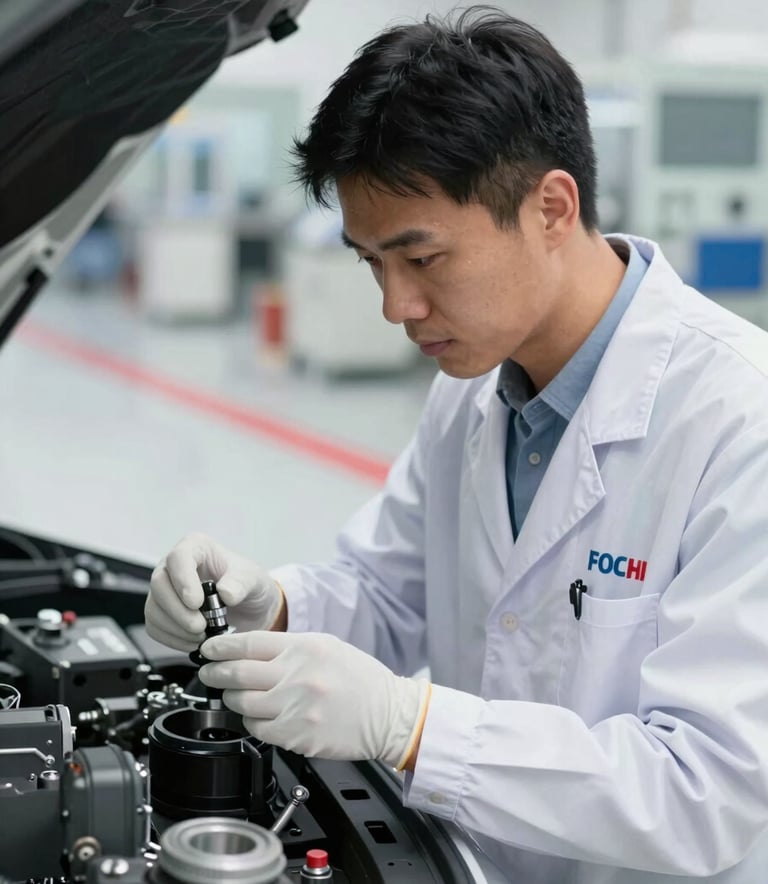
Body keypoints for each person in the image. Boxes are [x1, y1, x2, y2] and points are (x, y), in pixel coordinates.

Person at [144, 7, 768, 882]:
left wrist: (413, 728)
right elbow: (391, 596)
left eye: (422, 259)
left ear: (551, 207)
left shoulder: (740, 422)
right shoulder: (471, 390)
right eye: (371, 263)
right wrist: (270, 606)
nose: (395, 306)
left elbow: (707, 791)